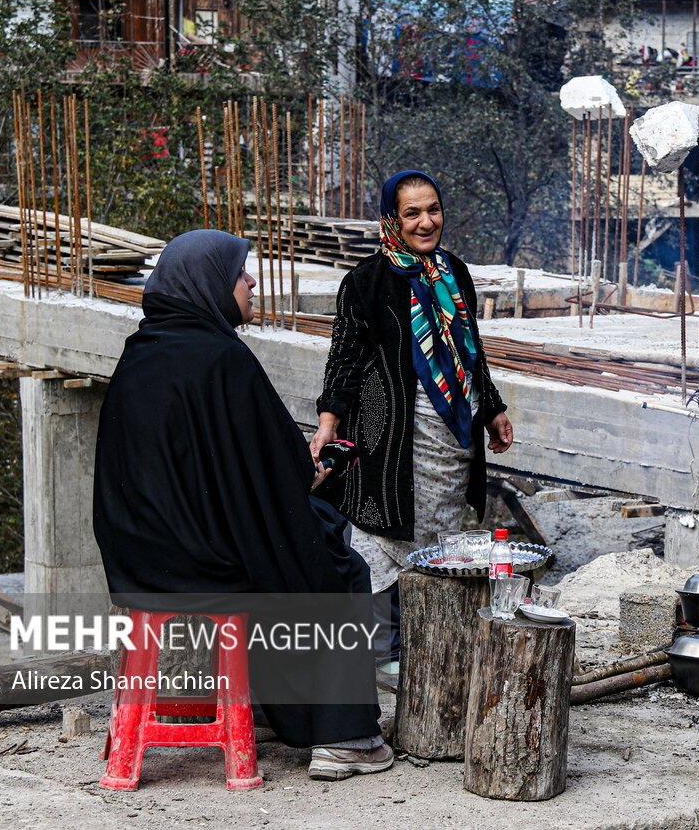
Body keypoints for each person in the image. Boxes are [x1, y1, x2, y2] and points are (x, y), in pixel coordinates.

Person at [93, 229, 394, 782]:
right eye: (240, 273)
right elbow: (277, 472)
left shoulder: (142, 352)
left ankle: (262, 707)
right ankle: (343, 738)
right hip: (199, 561)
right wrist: (313, 471)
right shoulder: (221, 359)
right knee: (333, 559)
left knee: (295, 535)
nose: (251, 281)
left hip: (137, 558)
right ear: (210, 284)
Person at [310, 171, 513, 667]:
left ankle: (429, 654)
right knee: (386, 538)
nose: (426, 222)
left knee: (440, 537)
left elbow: (470, 351)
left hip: (453, 434)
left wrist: (491, 408)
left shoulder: (454, 272)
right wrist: (328, 422)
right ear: (391, 220)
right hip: (392, 439)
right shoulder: (365, 281)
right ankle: (384, 656)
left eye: (433, 210)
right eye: (412, 213)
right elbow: (346, 358)